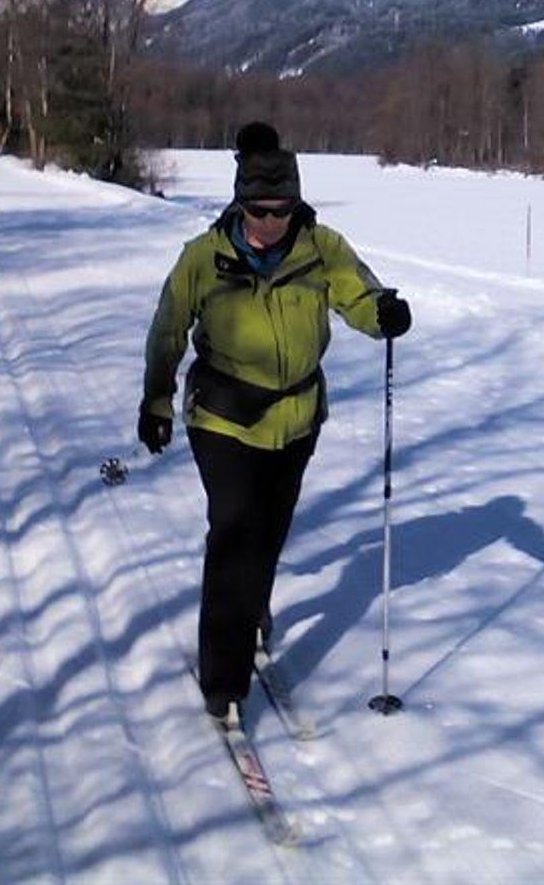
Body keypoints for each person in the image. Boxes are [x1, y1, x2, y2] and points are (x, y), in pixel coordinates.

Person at [138, 121, 411, 726]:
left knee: (268, 532)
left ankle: (251, 606)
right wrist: (155, 401)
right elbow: (167, 331)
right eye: (258, 210)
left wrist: (384, 313)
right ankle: (224, 679)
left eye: (281, 211)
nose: (269, 223)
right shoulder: (204, 258)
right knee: (234, 533)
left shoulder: (322, 248)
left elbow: (358, 295)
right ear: (240, 203)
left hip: (297, 417)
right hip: (223, 415)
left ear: (296, 204)